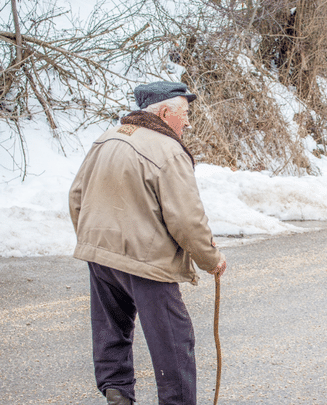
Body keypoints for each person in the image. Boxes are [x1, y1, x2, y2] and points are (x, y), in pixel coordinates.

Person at [69, 81, 227, 405]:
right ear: (165, 111)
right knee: (173, 341)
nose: (188, 121)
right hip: (147, 262)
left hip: (101, 257)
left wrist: (96, 241)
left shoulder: (106, 139)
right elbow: (186, 220)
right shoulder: (168, 151)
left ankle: (117, 396)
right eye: (185, 113)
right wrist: (211, 260)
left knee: (111, 331)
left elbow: (76, 198)